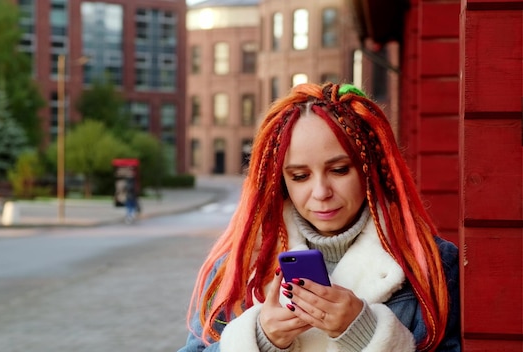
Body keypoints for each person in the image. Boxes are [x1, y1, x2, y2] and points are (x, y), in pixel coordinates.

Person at [178, 82, 460, 351]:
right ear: (281, 181)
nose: (321, 192)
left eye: (339, 170)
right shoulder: (240, 263)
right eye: (300, 176)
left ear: (368, 168)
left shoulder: (431, 264)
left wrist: (364, 332)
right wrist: (261, 339)